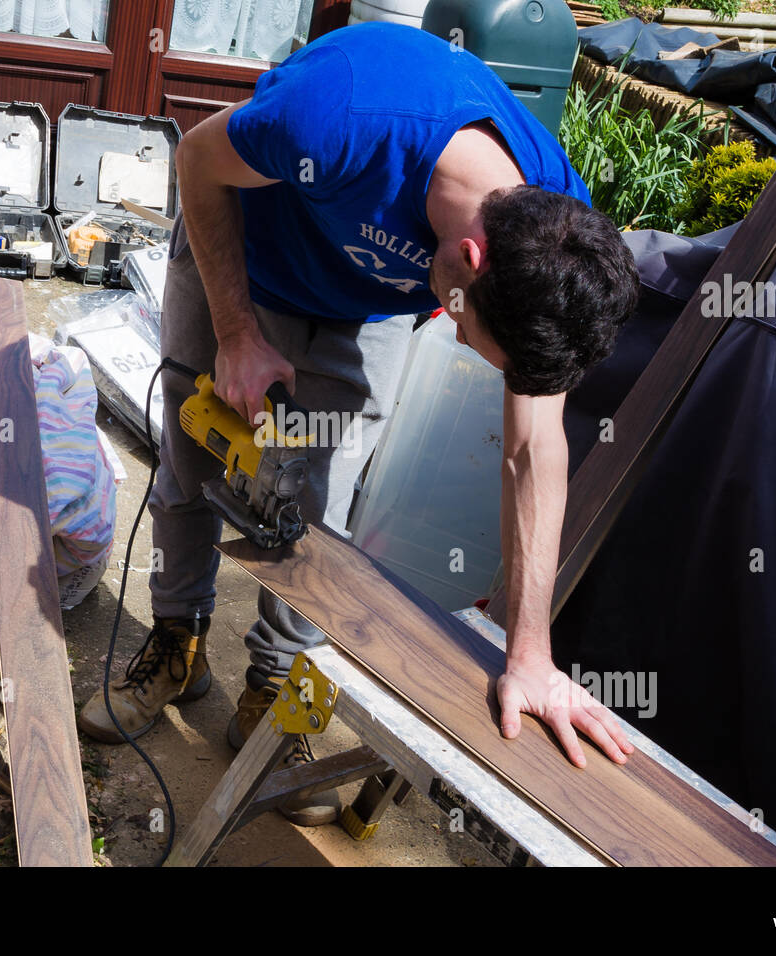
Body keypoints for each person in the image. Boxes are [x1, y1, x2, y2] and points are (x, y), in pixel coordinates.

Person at [79, 21, 641, 826]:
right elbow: (198, 161)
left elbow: (533, 448)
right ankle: (175, 646)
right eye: (468, 333)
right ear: (471, 261)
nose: (452, 340)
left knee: (320, 516)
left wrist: (530, 655)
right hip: (242, 257)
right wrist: (238, 334)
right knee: (193, 467)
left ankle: (273, 699)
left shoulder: (551, 243)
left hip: (361, 309)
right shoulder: (338, 115)